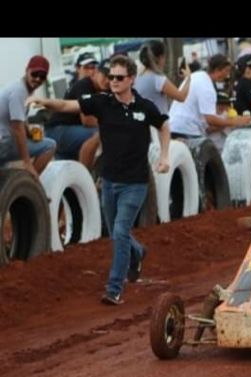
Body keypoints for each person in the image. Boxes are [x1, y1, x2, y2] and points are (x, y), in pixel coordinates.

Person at [30, 55, 169, 305]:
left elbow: (164, 125)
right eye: (111, 77)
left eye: (119, 78)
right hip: (108, 180)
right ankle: (138, 252)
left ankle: (114, 288)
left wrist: (165, 156)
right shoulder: (102, 102)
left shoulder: (145, 107)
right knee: (119, 233)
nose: (113, 81)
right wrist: (44, 101)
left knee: (118, 230)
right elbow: (68, 106)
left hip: (135, 183)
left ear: (131, 79)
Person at [168, 54, 250, 139]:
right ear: (217, 70)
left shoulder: (197, 75)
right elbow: (210, 120)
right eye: (226, 71)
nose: (228, 75)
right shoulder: (207, 88)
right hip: (187, 130)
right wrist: (235, 121)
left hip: (172, 127)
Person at [0, 55, 57, 179]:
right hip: (3, 144)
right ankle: (29, 184)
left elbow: (20, 119)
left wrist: (30, 133)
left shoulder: (21, 87)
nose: (37, 79)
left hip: (4, 141)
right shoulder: (19, 91)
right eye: (35, 74)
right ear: (27, 70)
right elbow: (17, 128)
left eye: (42, 76)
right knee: (49, 145)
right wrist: (27, 162)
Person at [45, 54, 107, 167]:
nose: (91, 71)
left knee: (68, 172)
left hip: (68, 131)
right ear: (78, 68)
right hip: (58, 131)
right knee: (99, 133)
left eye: (93, 67)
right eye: (87, 67)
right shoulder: (83, 86)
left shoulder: (99, 88)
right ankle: (87, 176)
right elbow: (87, 121)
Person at [136, 40, 191, 115]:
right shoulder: (158, 79)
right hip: (158, 123)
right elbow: (181, 97)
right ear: (160, 57)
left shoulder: (138, 76)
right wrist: (188, 77)